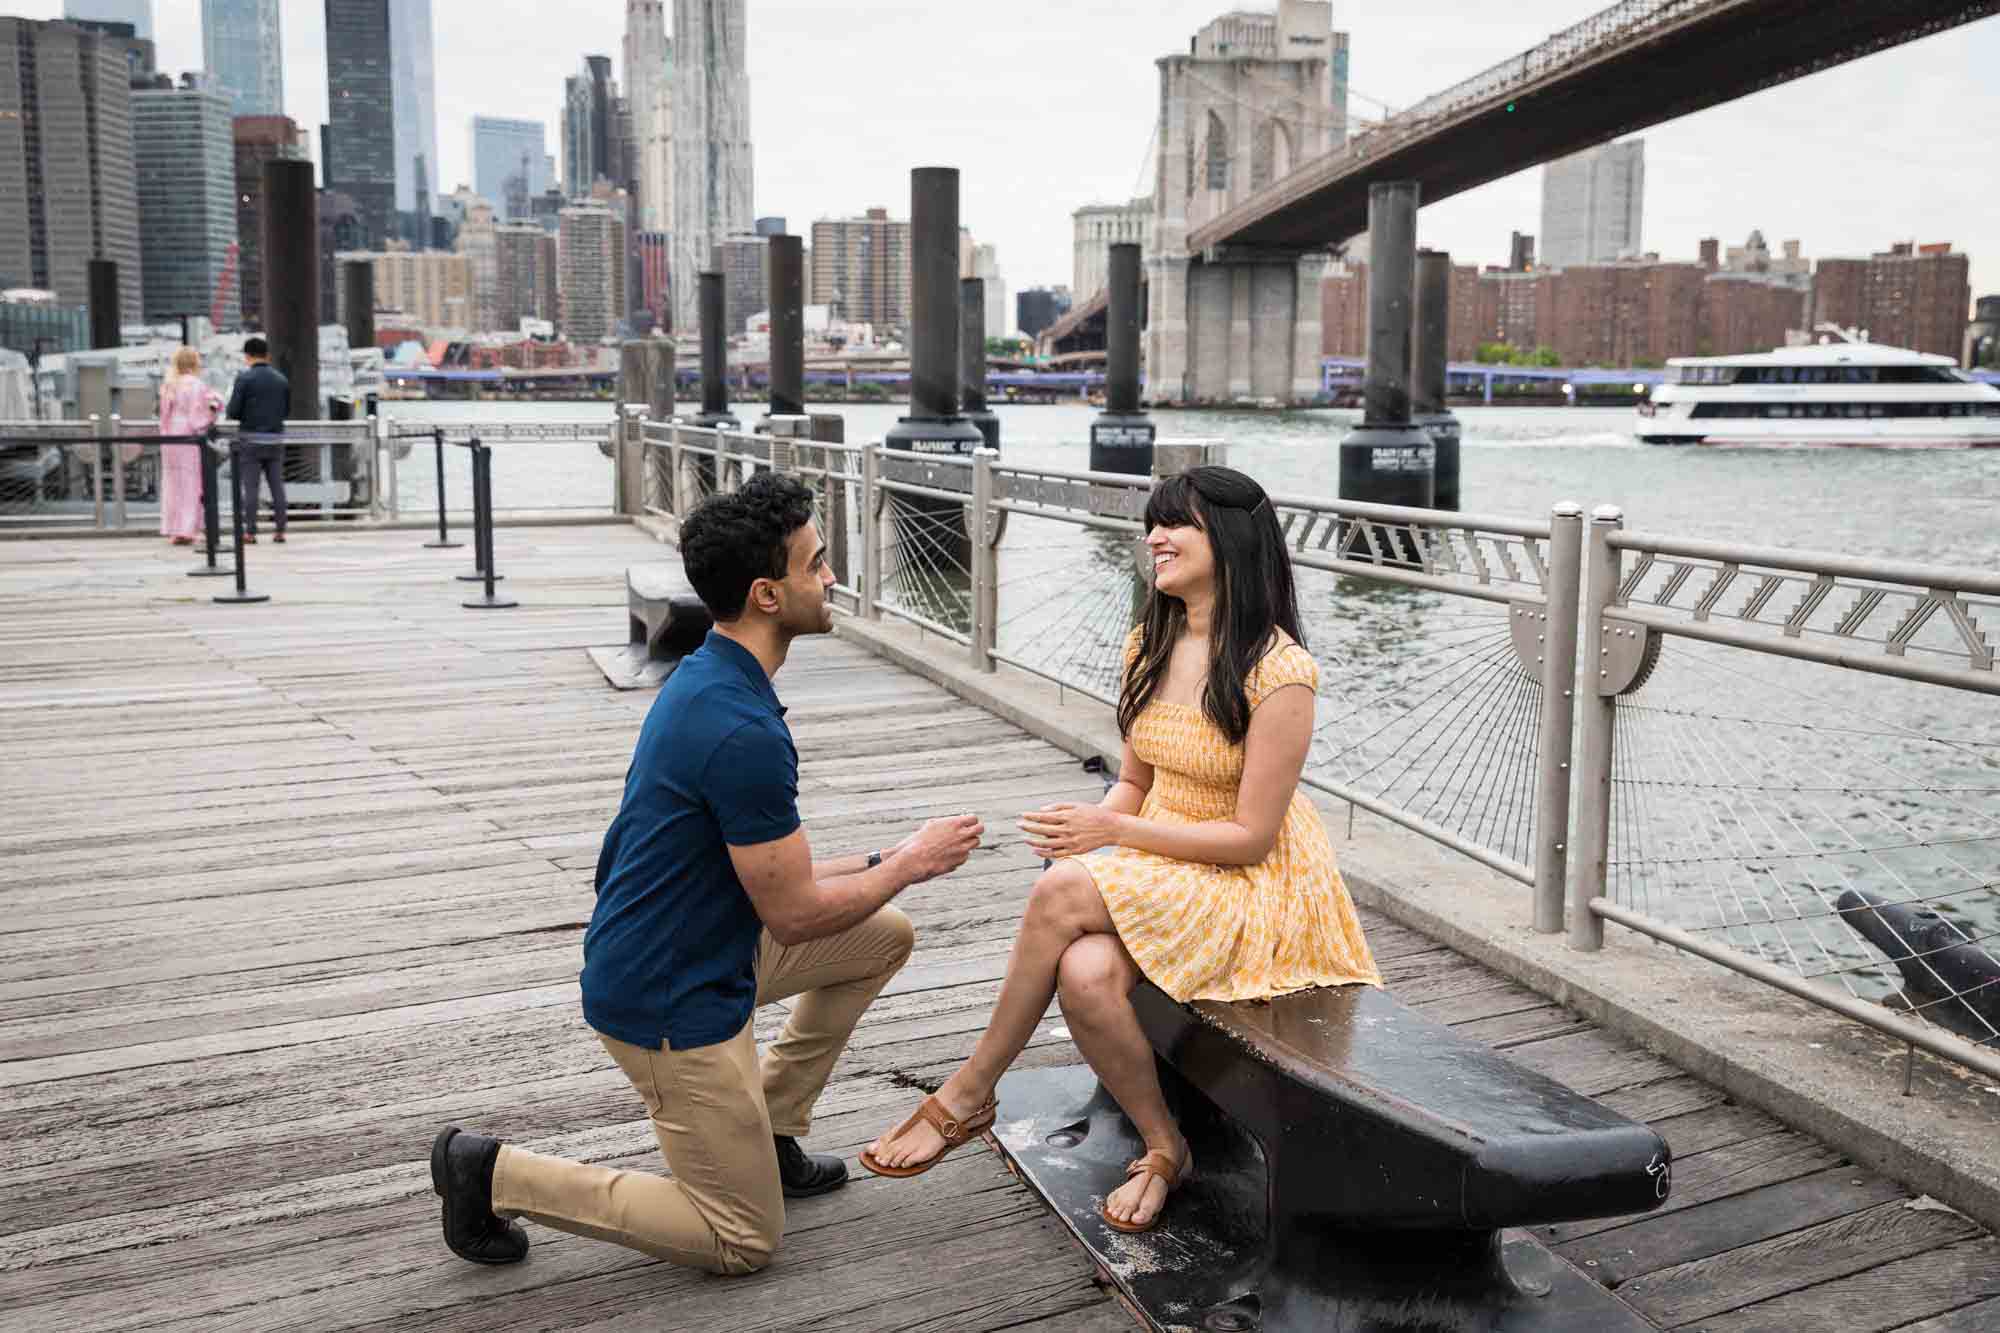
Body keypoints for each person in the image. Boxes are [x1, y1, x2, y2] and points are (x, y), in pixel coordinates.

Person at [430, 472, 984, 1274]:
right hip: (668, 996)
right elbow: (792, 914)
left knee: (882, 934)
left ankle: (775, 1124)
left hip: (703, 946)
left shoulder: (712, 674)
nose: (832, 579)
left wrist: (884, 866)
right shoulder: (741, 729)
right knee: (740, 1238)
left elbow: (770, 878)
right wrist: (909, 861)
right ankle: (492, 1172)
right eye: (817, 565)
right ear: (767, 593)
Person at [862, 465, 1382, 1235]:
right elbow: (1135, 780)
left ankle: (970, 1091)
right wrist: (1093, 831)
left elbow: (1251, 839)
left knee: (1059, 895)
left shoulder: (1280, 671)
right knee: (1084, 965)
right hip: (1167, 860)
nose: (1155, 538)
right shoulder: (1151, 639)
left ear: (1232, 540)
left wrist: (1110, 840)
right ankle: (1166, 1145)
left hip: (1253, 883)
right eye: (1152, 523)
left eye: (1178, 524)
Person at [226, 336, 290, 543]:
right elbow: (286, 410)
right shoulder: (281, 380)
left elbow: (233, 411)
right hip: (275, 438)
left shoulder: (244, 379)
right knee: (276, 486)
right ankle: (280, 530)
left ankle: (250, 532)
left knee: (251, 487)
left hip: (250, 440)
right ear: (267, 355)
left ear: (247, 356)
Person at [156, 347, 221, 546]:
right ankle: (187, 529)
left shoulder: (168, 385)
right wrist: (216, 404)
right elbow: (198, 416)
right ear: (194, 363)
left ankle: (173, 528)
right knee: (191, 484)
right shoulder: (196, 385)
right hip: (188, 436)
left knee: (172, 483)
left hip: (169, 437)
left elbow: (163, 416)